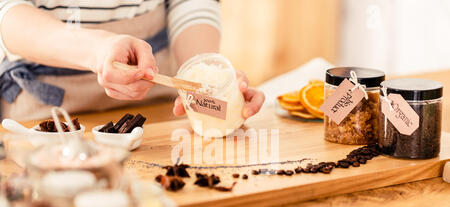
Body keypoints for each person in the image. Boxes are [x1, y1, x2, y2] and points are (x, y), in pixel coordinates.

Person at [0, 0, 265, 120]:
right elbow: (7, 13)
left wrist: (201, 76)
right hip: (43, 116)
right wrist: (97, 50)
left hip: (160, 108)